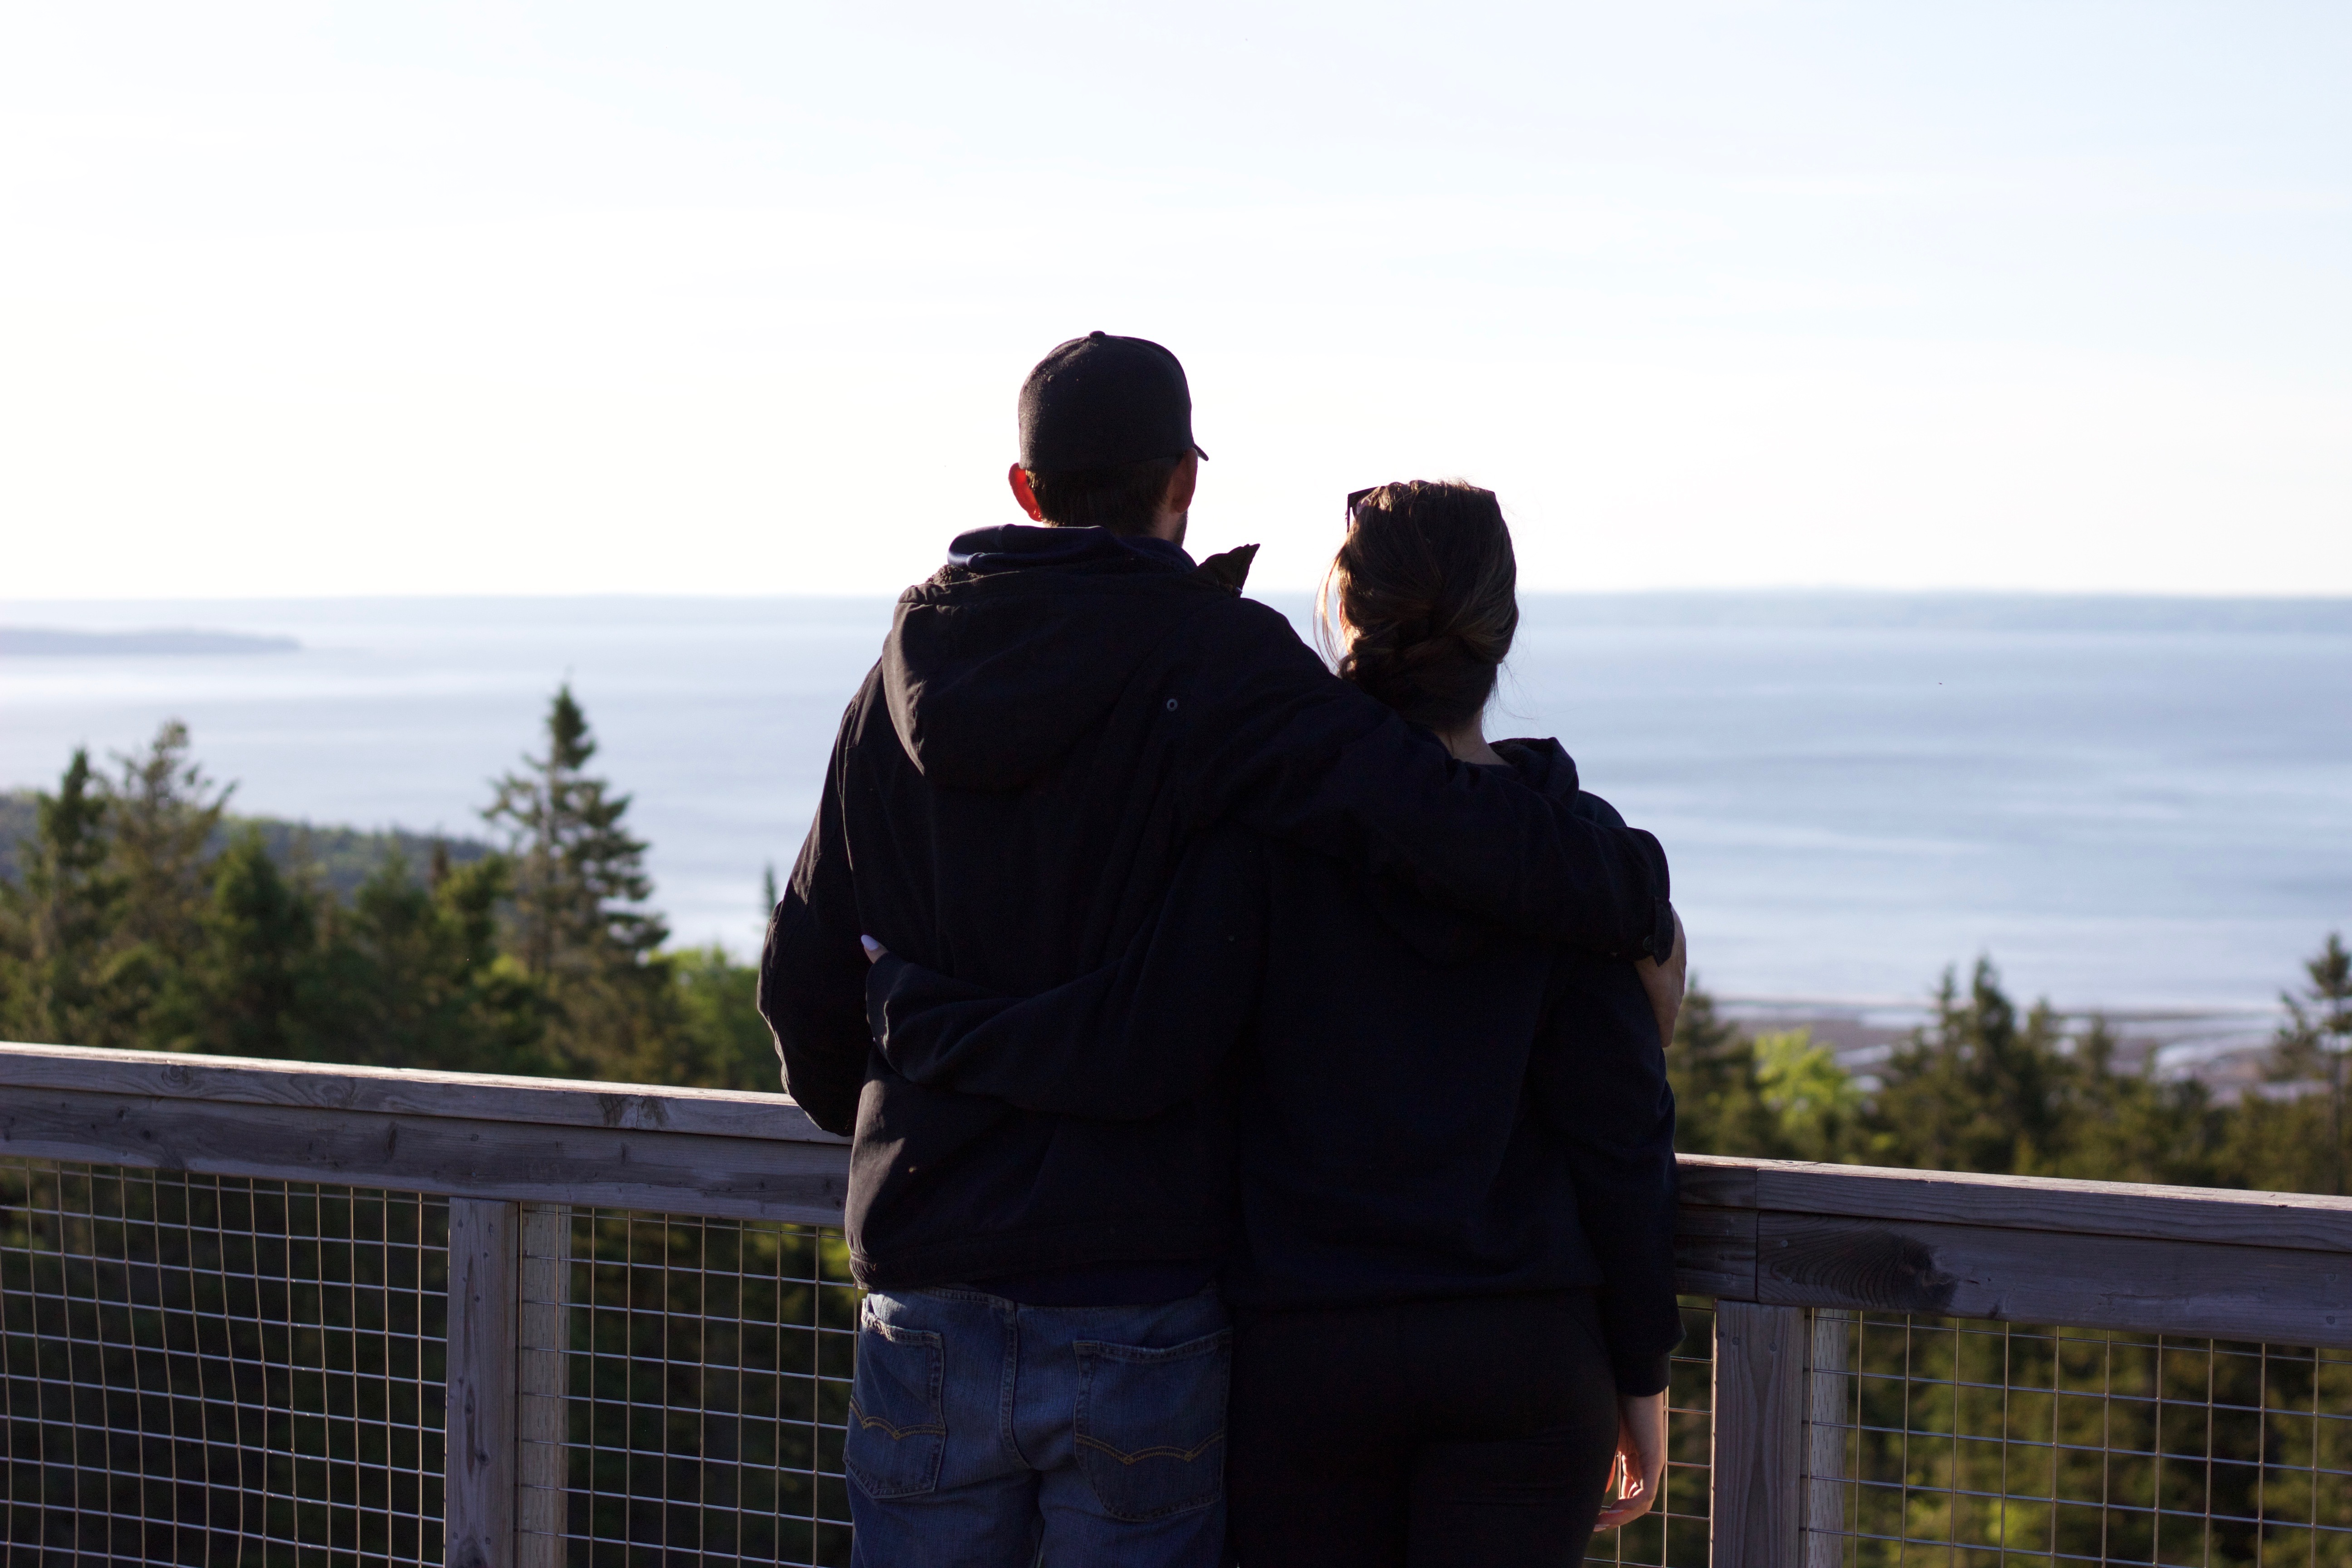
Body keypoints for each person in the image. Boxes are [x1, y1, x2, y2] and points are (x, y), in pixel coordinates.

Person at [760, 335, 1677, 1568]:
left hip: (925, 1276)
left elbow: (805, 991)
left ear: (1026, 491)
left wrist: (915, 1116)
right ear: (1182, 488)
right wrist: (1625, 889)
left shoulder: (891, 690)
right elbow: (1425, 809)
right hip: (1140, 1292)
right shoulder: (1218, 668)